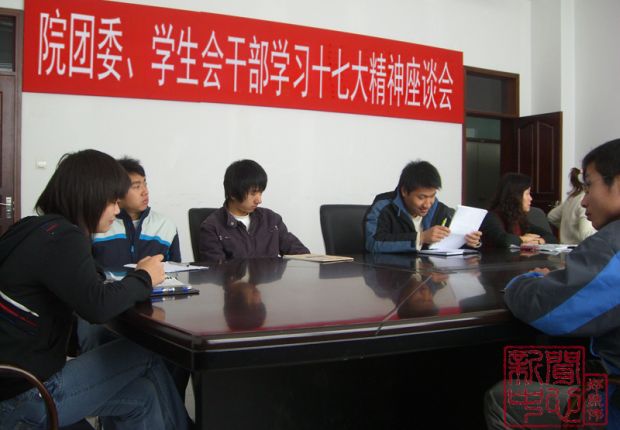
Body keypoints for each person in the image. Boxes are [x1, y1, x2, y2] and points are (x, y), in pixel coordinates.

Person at [0, 150, 189, 429]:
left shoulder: (35, 228)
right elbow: (97, 307)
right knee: (147, 351)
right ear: (90, 196)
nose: (117, 210)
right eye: (112, 201)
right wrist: (144, 277)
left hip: (16, 385)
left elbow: (84, 282)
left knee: (143, 396)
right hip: (26, 395)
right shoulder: (64, 237)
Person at [484, 139, 620, 428]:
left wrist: (528, 279)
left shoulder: (612, 245)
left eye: (589, 186)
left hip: (614, 408)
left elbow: (548, 306)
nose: (583, 200)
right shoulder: (493, 217)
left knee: (502, 399)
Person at [199, 159, 309, 261]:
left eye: (260, 193)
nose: (259, 200)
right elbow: (216, 270)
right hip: (236, 277)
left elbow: (301, 254)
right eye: (253, 193)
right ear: (232, 193)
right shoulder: (212, 227)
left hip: (271, 277)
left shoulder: (271, 219)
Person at [364, 160, 482, 253]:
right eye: (421, 197)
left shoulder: (441, 211)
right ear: (404, 191)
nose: (427, 204)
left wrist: (469, 242)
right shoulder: (383, 207)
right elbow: (373, 244)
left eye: (432, 196)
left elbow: (449, 245)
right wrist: (421, 238)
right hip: (392, 273)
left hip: (429, 271)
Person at [92, 156, 181, 266]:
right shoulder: (98, 226)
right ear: (116, 190)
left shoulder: (165, 225)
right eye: (137, 186)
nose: (145, 192)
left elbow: (177, 270)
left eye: (145, 184)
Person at [480, 172, 556, 248]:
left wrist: (538, 241)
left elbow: (551, 237)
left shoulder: (518, 219)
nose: (531, 198)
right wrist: (524, 239)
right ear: (515, 196)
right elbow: (505, 241)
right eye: (527, 193)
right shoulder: (491, 217)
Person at [547, 167, 597, 244]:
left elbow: (551, 216)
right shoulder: (585, 201)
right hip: (578, 248)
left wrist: (569, 228)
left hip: (563, 247)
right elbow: (585, 236)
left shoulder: (572, 198)